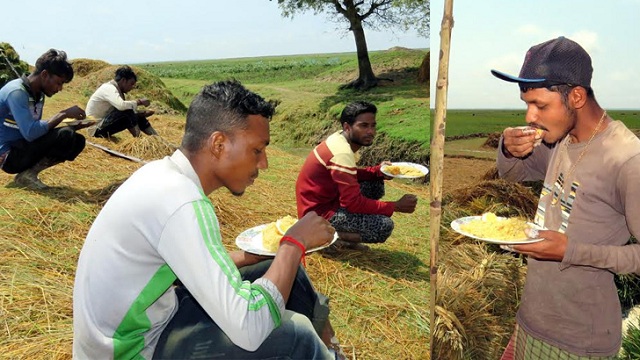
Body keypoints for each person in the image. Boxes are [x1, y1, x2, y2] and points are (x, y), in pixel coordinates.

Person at [73, 79, 343, 359]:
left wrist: (251, 256)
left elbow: (180, 267)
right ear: (219, 144)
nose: (264, 163)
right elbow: (248, 329)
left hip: (149, 320)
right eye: (257, 150)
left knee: (287, 273)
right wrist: (293, 243)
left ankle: (333, 352)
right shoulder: (182, 202)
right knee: (296, 335)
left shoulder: (163, 177)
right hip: (132, 350)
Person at [493, 36, 640, 359]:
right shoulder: (559, 141)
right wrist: (507, 147)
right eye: (526, 104)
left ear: (575, 96)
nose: (530, 116)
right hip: (530, 321)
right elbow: (512, 173)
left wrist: (569, 251)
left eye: (540, 105)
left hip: (579, 342)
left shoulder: (627, 159)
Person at [295, 101, 418, 251]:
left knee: (375, 184)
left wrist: (378, 172)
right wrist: (395, 206)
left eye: (373, 125)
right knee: (384, 226)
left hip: (326, 202)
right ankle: (327, 237)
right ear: (347, 127)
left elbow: (348, 175)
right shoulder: (342, 153)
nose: (371, 131)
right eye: (364, 126)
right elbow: (353, 203)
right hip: (317, 215)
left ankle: (334, 235)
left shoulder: (340, 139)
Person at [0, 49, 87, 189]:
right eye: (59, 83)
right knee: (66, 134)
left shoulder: (39, 95)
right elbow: (30, 133)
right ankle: (26, 175)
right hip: (8, 156)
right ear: (45, 75)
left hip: (22, 145)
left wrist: (74, 125)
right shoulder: (16, 92)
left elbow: (36, 128)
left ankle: (29, 174)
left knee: (76, 140)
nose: (60, 88)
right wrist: (62, 114)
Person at [85, 65, 158, 138]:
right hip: (95, 129)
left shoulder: (116, 90)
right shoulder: (109, 88)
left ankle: (158, 140)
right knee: (127, 112)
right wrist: (139, 102)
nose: (132, 87)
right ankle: (140, 142)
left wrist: (140, 113)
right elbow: (121, 106)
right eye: (131, 84)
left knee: (138, 117)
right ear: (123, 80)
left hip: (102, 123)